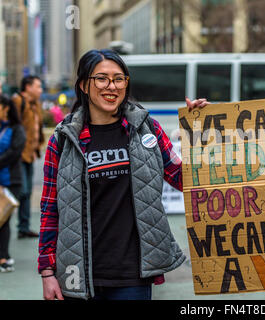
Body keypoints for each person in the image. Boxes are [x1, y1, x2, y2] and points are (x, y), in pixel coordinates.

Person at [38, 49, 209, 300]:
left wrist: (200, 135)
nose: (112, 86)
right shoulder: (63, 140)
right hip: (78, 273)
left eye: (119, 79)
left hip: (132, 274)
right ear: (84, 85)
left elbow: (185, 179)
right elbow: (50, 209)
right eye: (102, 78)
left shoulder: (146, 129)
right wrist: (47, 271)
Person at [12, 75, 44, 239]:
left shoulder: (35, 104)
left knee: (27, 191)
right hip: (18, 154)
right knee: (21, 191)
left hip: (30, 153)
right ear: (28, 87)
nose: (40, 90)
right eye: (38, 86)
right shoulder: (18, 102)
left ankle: (23, 227)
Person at [0, 95, 26, 272]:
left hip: (10, 181)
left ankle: (3, 257)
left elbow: (14, 152)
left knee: (3, 219)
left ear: (6, 107)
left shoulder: (16, 128)